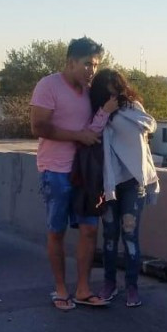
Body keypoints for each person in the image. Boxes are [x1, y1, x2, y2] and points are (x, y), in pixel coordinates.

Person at [30, 37, 110, 310]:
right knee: (57, 231)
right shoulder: (47, 85)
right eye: (87, 64)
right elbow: (39, 127)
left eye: (96, 65)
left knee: (89, 229)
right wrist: (78, 136)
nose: (92, 70)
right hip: (55, 170)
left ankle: (83, 289)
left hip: (85, 172)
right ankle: (61, 289)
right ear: (70, 62)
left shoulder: (90, 91)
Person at [88, 68, 159, 308]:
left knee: (130, 235)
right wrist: (104, 114)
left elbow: (145, 134)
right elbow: (90, 136)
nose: (112, 98)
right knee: (109, 236)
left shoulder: (133, 110)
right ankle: (109, 283)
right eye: (106, 94)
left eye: (115, 92)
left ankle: (132, 286)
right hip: (109, 183)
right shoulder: (97, 115)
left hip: (133, 182)